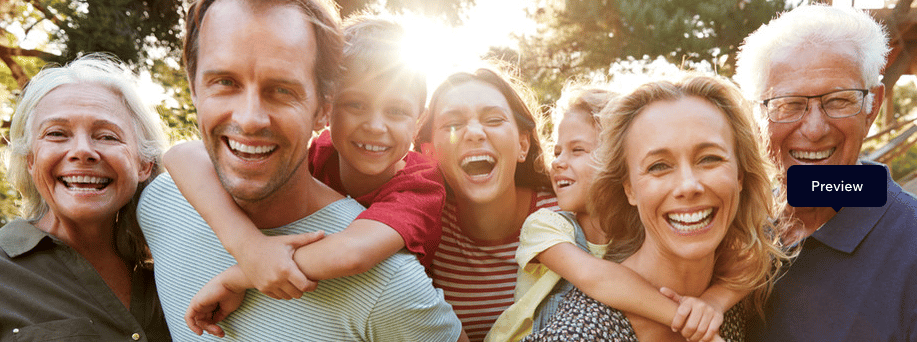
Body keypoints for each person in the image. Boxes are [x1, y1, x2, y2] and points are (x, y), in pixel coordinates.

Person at [136, 0, 462, 340]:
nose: (375, 126)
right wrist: (247, 246)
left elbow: (352, 253)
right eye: (225, 81)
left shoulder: (417, 189)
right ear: (331, 109)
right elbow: (180, 154)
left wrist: (243, 274)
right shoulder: (319, 153)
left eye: (281, 89)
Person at [522, 75, 789, 341]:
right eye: (658, 166)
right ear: (629, 189)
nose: (688, 185)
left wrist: (715, 302)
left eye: (709, 159)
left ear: (740, 175)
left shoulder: (734, 292)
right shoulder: (581, 332)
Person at [734, 5, 917, 341]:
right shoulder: (738, 233)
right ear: (757, 116)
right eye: (788, 103)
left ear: (872, 106)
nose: (815, 129)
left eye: (838, 100)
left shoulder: (910, 246)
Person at [0, 54, 170, 341]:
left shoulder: (176, 265)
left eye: (107, 136)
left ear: (144, 164)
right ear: (30, 160)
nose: (82, 151)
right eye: (56, 134)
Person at [415, 67, 558, 342]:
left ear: (522, 144)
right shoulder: (423, 229)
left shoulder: (566, 215)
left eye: (493, 119)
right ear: (430, 152)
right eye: (453, 124)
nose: (474, 133)